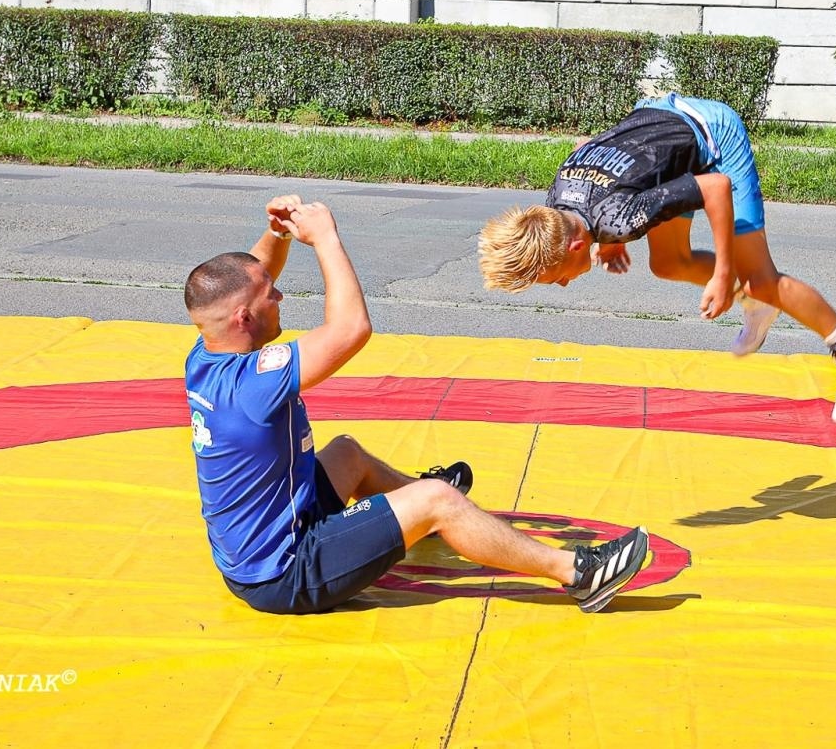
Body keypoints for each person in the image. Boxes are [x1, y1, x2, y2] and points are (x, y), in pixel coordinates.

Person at [183, 193, 649, 615]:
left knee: (347, 452)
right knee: (439, 499)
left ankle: (414, 516)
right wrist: (325, 238)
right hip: (286, 573)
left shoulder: (207, 352)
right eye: (271, 295)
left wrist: (276, 233)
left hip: (261, 547)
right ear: (244, 317)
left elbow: (242, 280)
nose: (280, 295)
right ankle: (578, 573)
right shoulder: (253, 385)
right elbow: (351, 330)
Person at [477, 93, 836, 424]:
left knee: (759, 277)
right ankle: (757, 303)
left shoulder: (617, 218)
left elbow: (715, 187)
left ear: (575, 247)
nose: (565, 283)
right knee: (668, 263)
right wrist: (611, 240)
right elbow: (586, 148)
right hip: (658, 127)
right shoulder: (557, 204)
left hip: (712, 134)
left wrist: (724, 275)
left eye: (556, 278)